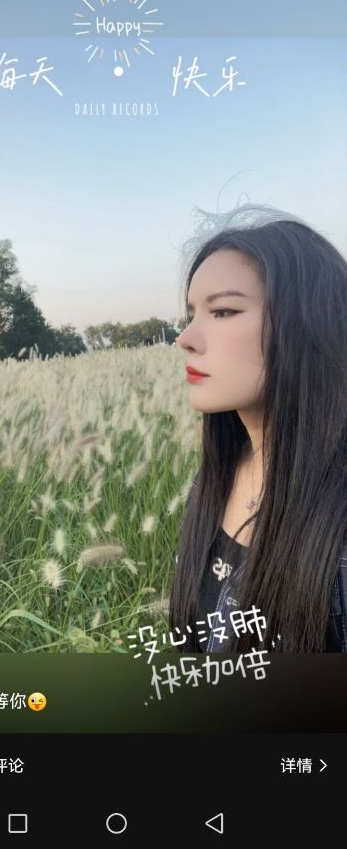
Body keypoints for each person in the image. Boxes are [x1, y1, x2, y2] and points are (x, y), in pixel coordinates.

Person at [169, 202, 347, 653]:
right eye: (190, 314)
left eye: (223, 311)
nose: (185, 338)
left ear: (306, 322)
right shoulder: (213, 479)